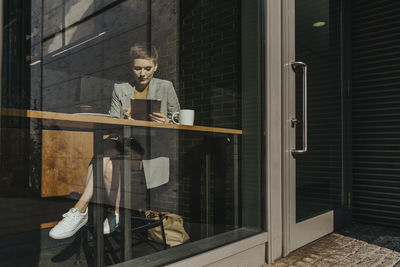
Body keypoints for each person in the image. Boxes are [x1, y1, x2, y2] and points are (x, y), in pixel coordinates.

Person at [49, 44, 180, 239]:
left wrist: (168, 121)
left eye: (147, 68)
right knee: (108, 160)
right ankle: (107, 212)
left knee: (104, 157)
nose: (142, 73)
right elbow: (110, 124)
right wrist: (123, 120)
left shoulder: (165, 87)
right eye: (137, 68)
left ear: (156, 66)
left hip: (149, 148)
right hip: (123, 142)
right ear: (131, 67)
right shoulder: (120, 89)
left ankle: (82, 210)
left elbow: (178, 117)